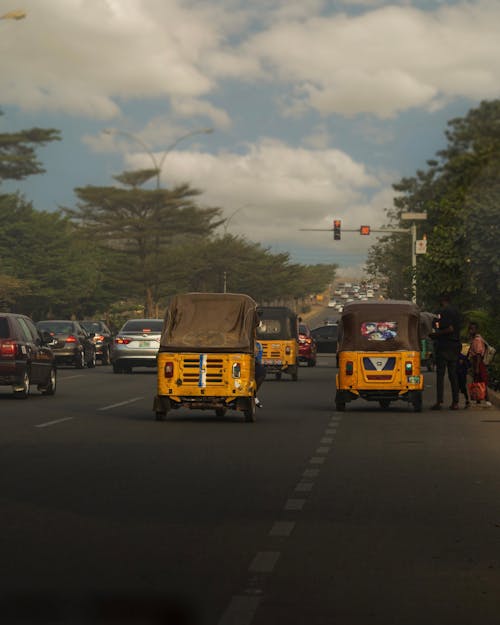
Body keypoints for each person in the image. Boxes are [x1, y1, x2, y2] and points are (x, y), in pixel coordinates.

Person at [430, 293, 461, 410]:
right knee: (453, 375)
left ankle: (439, 401)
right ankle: (455, 402)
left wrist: (436, 334)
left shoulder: (442, 312)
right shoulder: (457, 312)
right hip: (455, 346)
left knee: (440, 374)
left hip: (444, 346)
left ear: (443, 300)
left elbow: (449, 329)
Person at [468, 322, 492, 407]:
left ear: (476, 330)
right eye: (470, 329)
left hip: (479, 362)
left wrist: (477, 367)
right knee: (477, 380)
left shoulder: (477, 340)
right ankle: (478, 398)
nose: (471, 330)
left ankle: (487, 399)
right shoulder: (474, 339)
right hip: (476, 362)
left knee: (482, 380)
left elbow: (478, 354)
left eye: (473, 329)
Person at [254, 339, 265, 408]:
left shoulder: (258, 345)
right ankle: (254, 396)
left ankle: (254, 394)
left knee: (262, 371)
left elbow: (258, 358)